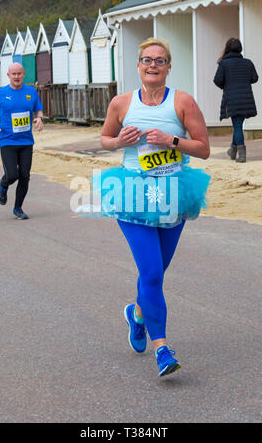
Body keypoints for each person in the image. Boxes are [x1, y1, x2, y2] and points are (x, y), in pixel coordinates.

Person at [77, 38, 211, 377]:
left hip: (173, 193)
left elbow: (204, 149)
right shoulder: (122, 103)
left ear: (168, 66)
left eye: (160, 60)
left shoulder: (183, 102)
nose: (153, 65)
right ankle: (162, 349)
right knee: (151, 273)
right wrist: (119, 141)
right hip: (133, 194)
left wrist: (172, 141)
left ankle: (137, 314)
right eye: (147, 60)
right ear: (137, 65)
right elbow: (105, 139)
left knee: (157, 272)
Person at [0, 62, 44, 220]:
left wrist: (39, 118)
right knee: (12, 175)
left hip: (26, 141)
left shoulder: (31, 92)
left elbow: (38, 109)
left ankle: (18, 208)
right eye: (14, 74)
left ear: (24, 74)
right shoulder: (0, 93)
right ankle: (3, 186)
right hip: (7, 141)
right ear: (8, 75)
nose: (17, 77)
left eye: (19, 73)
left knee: (24, 176)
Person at [214, 37, 258, 163]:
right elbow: (254, 78)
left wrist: (227, 85)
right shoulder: (248, 63)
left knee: (237, 125)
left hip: (232, 99)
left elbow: (217, 80)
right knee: (238, 124)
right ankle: (232, 150)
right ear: (240, 49)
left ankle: (242, 155)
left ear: (227, 49)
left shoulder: (223, 64)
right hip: (246, 98)